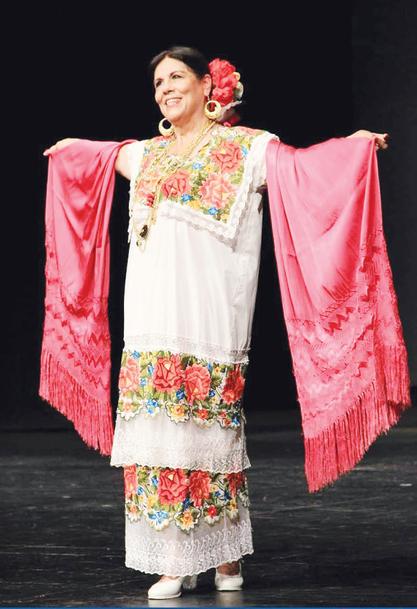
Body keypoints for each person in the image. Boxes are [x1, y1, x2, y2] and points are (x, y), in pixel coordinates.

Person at [43, 46, 393, 600]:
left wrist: (353, 147)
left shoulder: (247, 148)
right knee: (160, 437)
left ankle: (215, 557)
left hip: (208, 316)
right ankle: (186, 562)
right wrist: (67, 151)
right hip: (151, 316)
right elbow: (103, 156)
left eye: (175, 77)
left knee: (208, 436)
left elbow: (303, 168)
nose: (165, 88)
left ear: (208, 84)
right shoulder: (149, 155)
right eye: (158, 82)